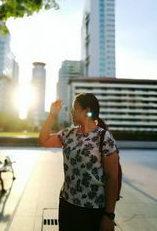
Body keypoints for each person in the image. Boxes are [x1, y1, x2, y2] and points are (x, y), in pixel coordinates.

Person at [39, 93, 119, 231]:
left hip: (93, 209)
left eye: (75, 108)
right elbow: (43, 140)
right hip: (67, 203)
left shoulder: (104, 138)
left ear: (87, 111)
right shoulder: (69, 134)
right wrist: (52, 115)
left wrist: (109, 215)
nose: (72, 111)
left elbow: (112, 177)